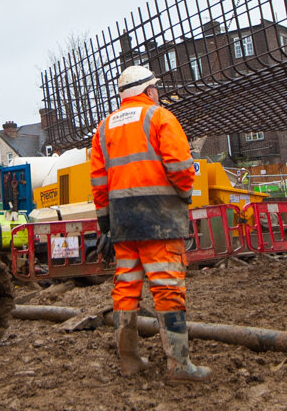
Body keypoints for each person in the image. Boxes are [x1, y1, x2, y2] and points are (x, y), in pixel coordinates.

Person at [89, 64, 208, 382]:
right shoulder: (159, 117)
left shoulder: (104, 128)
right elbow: (182, 168)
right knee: (167, 288)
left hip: (123, 224)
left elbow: (99, 183)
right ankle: (179, 365)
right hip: (160, 220)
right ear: (149, 91)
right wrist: (183, 197)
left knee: (126, 288)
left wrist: (105, 227)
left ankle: (129, 361)